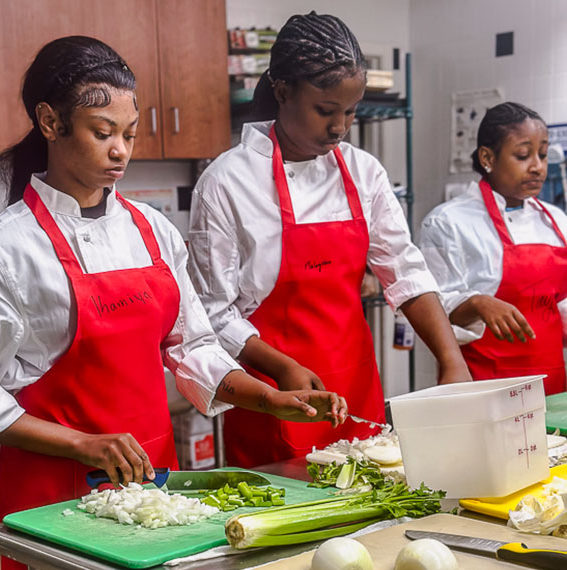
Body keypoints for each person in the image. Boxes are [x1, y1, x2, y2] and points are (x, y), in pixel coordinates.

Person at [0, 36, 348, 568]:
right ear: (49, 122)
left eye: (129, 134)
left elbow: (192, 344)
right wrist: (82, 445)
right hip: (44, 495)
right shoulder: (0, 248)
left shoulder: (153, 231)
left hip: (151, 487)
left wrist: (266, 398)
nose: (120, 151)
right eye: (102, 132)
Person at [188, 12, 471, 469]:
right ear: (282, 92)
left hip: (357, 392)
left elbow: (406, 271)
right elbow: (213, 314)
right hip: (273, 397)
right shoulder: (227, 182)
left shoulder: (363, 172)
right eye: (325, 110)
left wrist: (450, 357)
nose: (340, 127)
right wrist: (283, 369)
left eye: (351, 112)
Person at [420, 102, 567, 395]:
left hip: (553, 387)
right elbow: (432, 308)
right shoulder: (448, 221)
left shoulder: (555, 220)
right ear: (488, 157)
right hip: (484, 385)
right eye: (523, 155)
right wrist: (477, 303)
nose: (537, 166)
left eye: (542, 154)